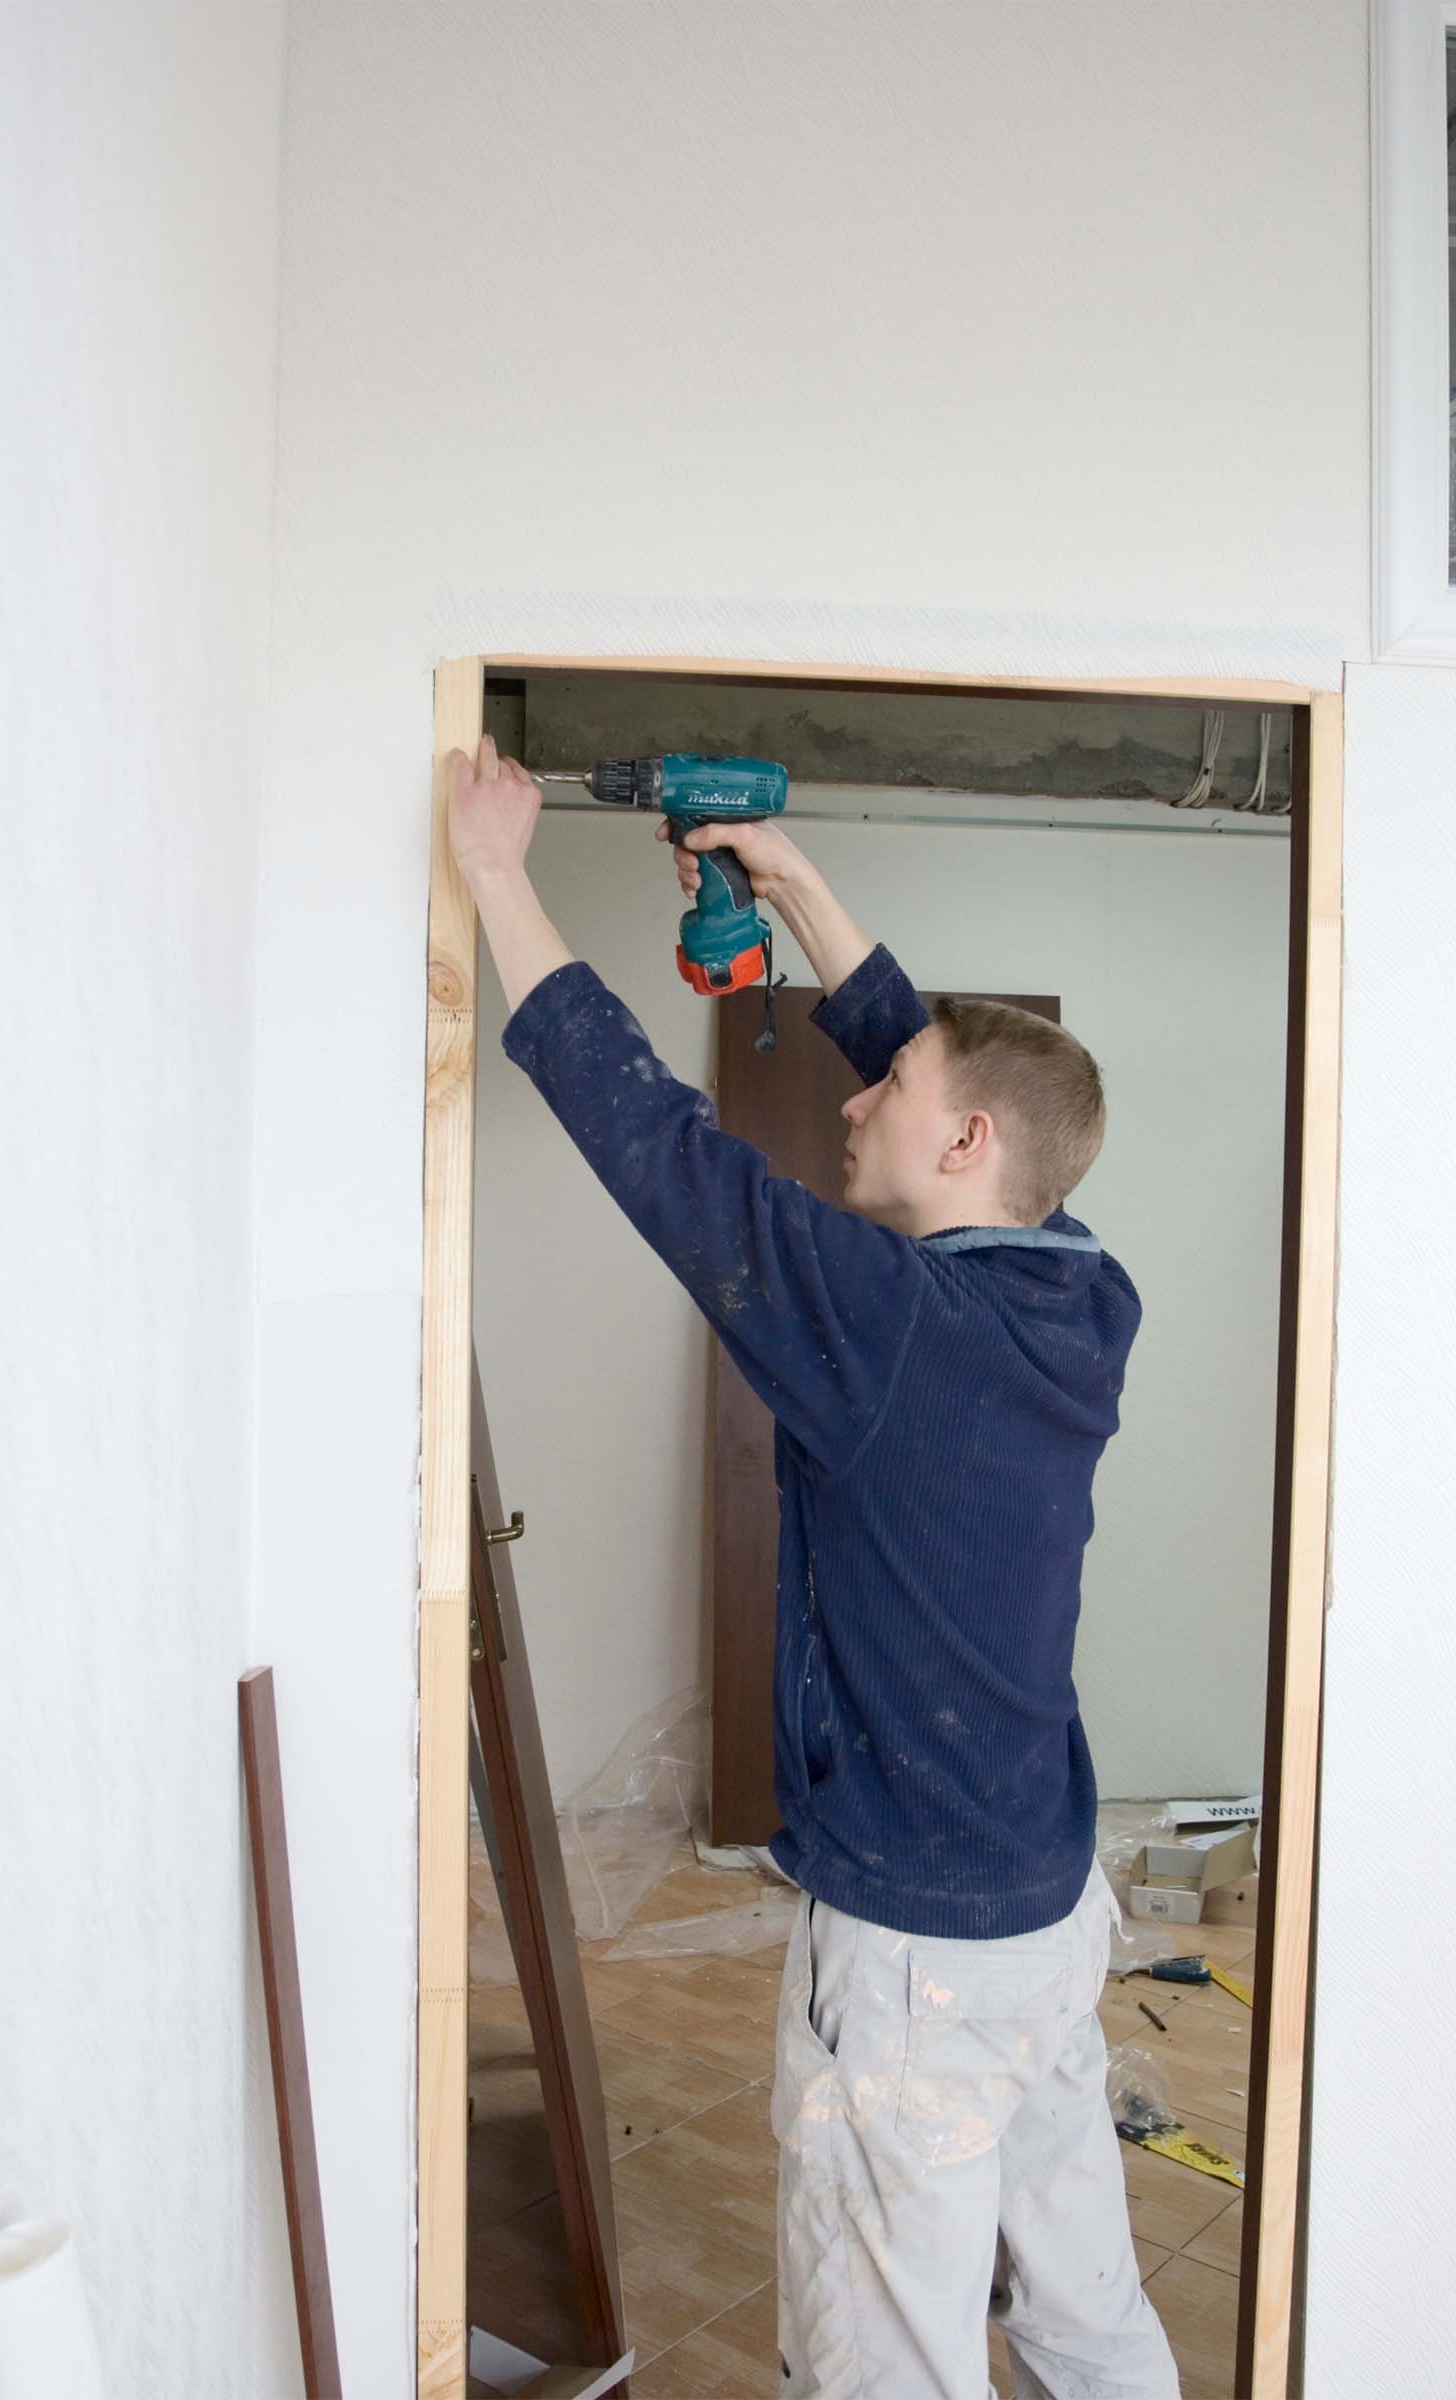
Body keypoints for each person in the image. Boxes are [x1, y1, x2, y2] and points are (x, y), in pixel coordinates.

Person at [449, 738, 1179, 2400]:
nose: (854, 1096)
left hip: (916, 1956)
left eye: (888, 1097)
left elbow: (667, 1156)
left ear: (969, 1141)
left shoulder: (894, 1326)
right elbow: (942, 1077)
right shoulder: (1083, 1293)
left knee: (884, 2366)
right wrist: (796, 883)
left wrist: (500, 872)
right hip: (1050, 1911)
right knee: (1084, 2310)